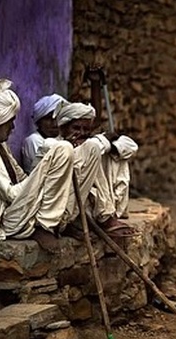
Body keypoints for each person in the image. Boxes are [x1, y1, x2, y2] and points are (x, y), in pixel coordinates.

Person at [0, 79, 75, 249]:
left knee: (72, 151)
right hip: (7, 220)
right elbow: (12, 194)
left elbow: (21, 177)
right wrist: (44, 172)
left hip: (18, 208)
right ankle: (45, 225)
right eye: (9, 122)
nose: (13, 127)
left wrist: (45, 174)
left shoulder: (1, 145)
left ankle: (57, 221)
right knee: (62, 148)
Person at [36, 101, 137, 237]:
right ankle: (104, 218)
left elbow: (131, 146)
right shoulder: (52, 145)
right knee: (91, 155)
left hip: (89, 203)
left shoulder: (92, 142)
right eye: (76, 128)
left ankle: (107, 215)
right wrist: (97, 144)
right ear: (63, 129)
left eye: (86, 130)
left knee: (116, 156)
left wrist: (109, 146)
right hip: (63, 205)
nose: (81, 133)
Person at [21, 93, 67, 173]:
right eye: (48, 118)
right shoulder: (33, 140)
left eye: (57, 118)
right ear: (39, 121)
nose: (55, 124)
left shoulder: (60, 137)